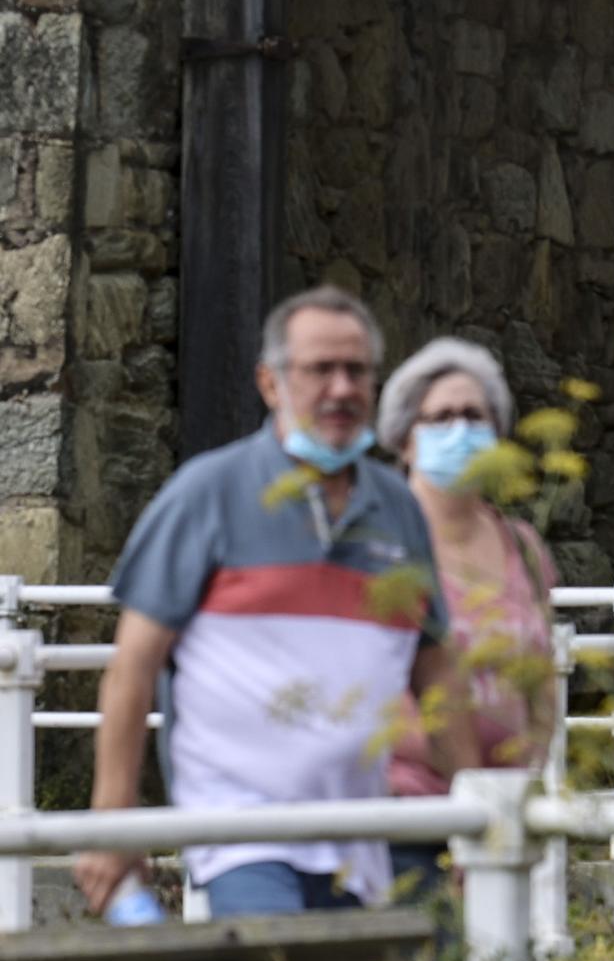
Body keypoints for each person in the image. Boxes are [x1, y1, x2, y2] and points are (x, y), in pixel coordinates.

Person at [74, 287, 478, 922]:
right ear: (270, 383)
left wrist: (476, 812)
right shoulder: (208, 492)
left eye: (357, 371)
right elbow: (133, 665)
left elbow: (437, 674)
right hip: (244, 831)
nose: (342, 389)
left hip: (367, 832)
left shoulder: (398, 511)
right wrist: (112, 820)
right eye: (320, 369)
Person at [377, 338, 556, 899]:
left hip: (504, 813)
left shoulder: (522, 547)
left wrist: (529, 770)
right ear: (406, 439)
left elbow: (542, 676)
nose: (460, 430)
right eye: (442, 417)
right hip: (405, 806)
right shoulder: (382, 545)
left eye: (474, 416)